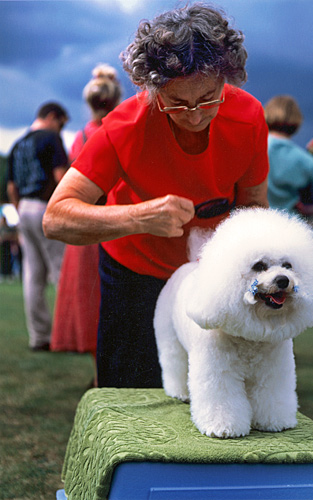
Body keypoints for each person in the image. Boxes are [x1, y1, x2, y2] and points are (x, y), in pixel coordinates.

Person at [43, 3, 269, 388]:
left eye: (209, 98)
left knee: (219, 385)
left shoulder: (248, 117)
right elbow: (57, 217)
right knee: (128, 392)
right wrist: (139, 217)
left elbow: (254, 207)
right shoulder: (124, 126)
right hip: (134, 273)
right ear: (151, 86)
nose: (195, 115)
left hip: (210, 276)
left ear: (227, 79)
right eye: (177, 102)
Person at [50, 65, 123, 385]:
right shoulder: (120, 129)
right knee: (114, 305)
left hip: (85, 230)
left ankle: (99, 374)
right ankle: (109, 374)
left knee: (89, 304)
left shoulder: (80, 137)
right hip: (115, 227)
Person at [7, 102, 69, 351]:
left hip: (23, 209)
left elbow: (11, 187)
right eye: (62, 123)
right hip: (47, 208)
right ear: (53, 117)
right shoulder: (51, 138)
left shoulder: (17, 144)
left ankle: (39, 337)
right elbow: (61, 178)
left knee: (32, 276)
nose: (62, 129)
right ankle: (68, 336)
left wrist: (20, 211)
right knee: (61, 271)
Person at [263, 95, 313, 218]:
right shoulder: (306, 161)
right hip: (290, 227)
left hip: (254, 224)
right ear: (297, 120)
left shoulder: (251, 150)